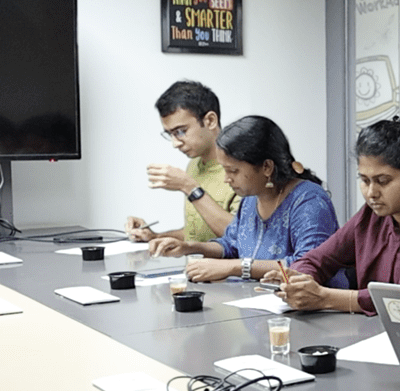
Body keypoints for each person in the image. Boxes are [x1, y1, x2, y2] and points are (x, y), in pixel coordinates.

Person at [268, 118, 400, 314]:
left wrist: (326, 298)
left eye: (383, 181)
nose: (371, 193)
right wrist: (299, 280)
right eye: (364, 180)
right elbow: (317, 259)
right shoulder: (371, 215)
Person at [151, 116, 339, 283]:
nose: (227, 179)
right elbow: (231, 244)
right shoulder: (250, 200)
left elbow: (306, 265)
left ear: (266, 167)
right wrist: (189, 247)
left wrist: (235, 267)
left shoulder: (309, 202)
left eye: (233, 171)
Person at [124, 80, 239, 244]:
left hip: (228, 268)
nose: (175, 143)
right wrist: (155, 236)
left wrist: (190, 187)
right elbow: (197, 234)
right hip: (195, 266)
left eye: (181, 131)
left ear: (211, 121)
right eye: (170, 134)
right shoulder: (194, 165)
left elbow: (241, 236)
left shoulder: (242, 168)